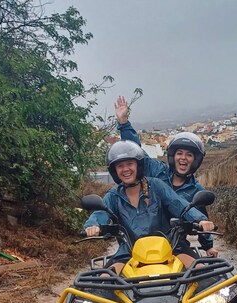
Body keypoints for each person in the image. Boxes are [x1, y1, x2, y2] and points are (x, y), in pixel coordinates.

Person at [84, 140, 214, 275]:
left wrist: (200, 220)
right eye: (120, 166)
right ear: (114, 170)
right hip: (129, 251)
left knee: (203, 275)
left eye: (130, 164)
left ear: (139, 166)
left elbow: (180, 204)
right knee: (105, 281)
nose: (126, 169)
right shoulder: (113, 195)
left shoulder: (156, 186)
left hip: (171, 247)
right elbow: (101, 213)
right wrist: (93, 225)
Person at [114, 96, 218, 258]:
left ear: (195, 160)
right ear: (172, 156)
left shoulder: (196, 190)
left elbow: (199, 217)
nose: (183, 158)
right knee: (114, 279)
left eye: (189, 155)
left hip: (176, 245)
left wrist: (208, 245)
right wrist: (124, 123)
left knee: (204, 276)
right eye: (179, 153)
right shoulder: (157, 172)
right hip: (140, 243)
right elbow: (135, 152)